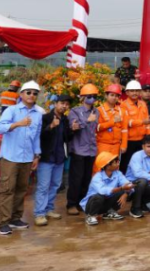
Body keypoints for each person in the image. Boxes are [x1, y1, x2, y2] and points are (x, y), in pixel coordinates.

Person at [0, 80, 42, 235]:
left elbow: (36, 137)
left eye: (35, 93)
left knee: (22, 189)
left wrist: (36, 155)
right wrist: (17, 124)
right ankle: (3, 222)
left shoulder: (38, 115)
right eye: (28, 92)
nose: (31, 95)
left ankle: (15, 218)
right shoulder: (11, 110)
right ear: (21, 94)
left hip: (27, 157)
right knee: (7, 189)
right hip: (10, 156)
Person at [34, 94, 71, 226]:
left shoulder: (65, 120)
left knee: (55, 185)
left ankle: (49, 209)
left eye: (67, 104)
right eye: (62, 103)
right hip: (46, 157)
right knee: (43, 186)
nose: (64, 106)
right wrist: (51, 126)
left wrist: (73, 129)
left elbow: (67, 138)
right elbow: (39, 136)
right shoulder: (45, 118)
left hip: (59, 157)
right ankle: (39, 213)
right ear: (55, 104)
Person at [66, 84, 99, 216]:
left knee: (86, 179)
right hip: (79, 150)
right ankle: (71, 204)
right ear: (82, 97)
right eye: (89, 96)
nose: (92, 99)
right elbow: (73, 127)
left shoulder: (96, 112)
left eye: (94, 96)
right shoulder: (75, 111)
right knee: (76, 179)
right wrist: (87, 121)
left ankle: (82, 202)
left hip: (91, 150)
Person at [81, 152, 133, 226]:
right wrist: (122, 188)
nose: (118, 163)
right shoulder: (97, 177)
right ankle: (91, 216)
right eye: (115, 162)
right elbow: (103, 191)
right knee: (99, 196)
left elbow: (129, 184)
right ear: (108, 165)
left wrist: (126, 193)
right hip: (91, 205)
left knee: (122, 192)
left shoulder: (118, 173)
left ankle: (109, 212)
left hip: (105, 203)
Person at [119, 81, 150, 174]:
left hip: (142, 140)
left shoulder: (143, 104)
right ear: (127, 92)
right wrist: (142, 122)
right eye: (132, 91)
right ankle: (124, 181)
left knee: (140, 163)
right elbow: (126, 122)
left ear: (140, 92)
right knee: (126, 164)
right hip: (129, 140)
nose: (134, 93)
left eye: (137, 91)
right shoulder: (123, 105)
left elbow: (147, 122)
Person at [96, 84, 125, 158]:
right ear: (106, 96)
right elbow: (97, 128)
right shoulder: (99, 110)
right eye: (112, 95)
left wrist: (124, 145)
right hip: (103, 145)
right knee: (102, 164)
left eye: (116, 96)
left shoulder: (121, 110)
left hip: (117, 145)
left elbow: (124, 129)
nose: (114, 98)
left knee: (114, 165)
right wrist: (112, 122)